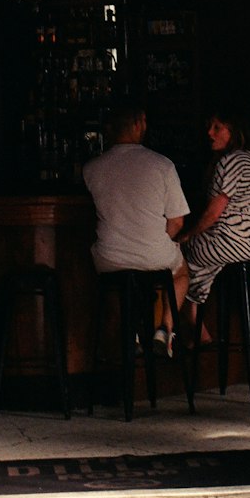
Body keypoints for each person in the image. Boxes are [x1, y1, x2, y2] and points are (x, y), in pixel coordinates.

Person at [83, 102, 189, 356]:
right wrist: (152, 239)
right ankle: (164, 329)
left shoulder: (91, 168)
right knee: (181, 273)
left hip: (110, 258)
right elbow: (177, 222)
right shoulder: (162, 165)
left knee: (126, 280)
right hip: (154, 256)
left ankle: (130, 332)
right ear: (140, 123)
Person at [178, 108, 250, 339]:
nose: (209, 132)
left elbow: (214, 213)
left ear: (233, 131)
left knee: (179, 257)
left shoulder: (231, 160)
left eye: (217, 127)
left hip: (232, 239)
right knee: (201, 263)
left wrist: (188, 235)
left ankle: (193, 333)